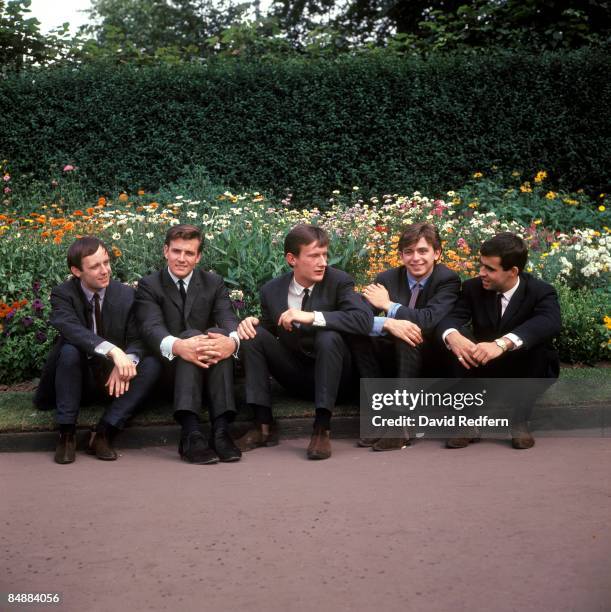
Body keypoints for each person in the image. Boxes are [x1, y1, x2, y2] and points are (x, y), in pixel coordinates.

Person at [236, 224, 373, 460]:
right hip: (297, 376)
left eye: (324, 254)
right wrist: (250, 323)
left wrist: (312, 317)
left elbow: (363, 320)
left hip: (338, 379)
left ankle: (322, 428)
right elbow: (269, 331)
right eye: (313, 256)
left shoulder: (339, 281)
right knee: (253, 334)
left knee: (329, 335)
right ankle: (262, 425)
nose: (322, 262)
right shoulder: (272, 290)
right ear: (292, 259)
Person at [34, 236, 161, 464]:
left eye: (106, 262)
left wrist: (127, 362)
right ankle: (66, 434)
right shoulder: (63, 294)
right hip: (76, 379)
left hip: (114, 382)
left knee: (151, 363)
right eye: (95, 266)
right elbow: (70, 328)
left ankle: (105, 432)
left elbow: (138, 339)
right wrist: (114, 351)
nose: (105, 271)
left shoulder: (127, 295)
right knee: (69, 348)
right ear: (76, 271)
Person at [439, 232, 561, 449]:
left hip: (523, 367)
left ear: (513, 272)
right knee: (456, 341)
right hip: (483, 365)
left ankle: (519, 421)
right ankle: (469, 421)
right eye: (481, 265)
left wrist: (502, 344)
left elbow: (549, 321)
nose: (481, 273)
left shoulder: (541, 291)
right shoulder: (472, 288)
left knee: (539, 347)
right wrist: (453, 335)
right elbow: (451, 317)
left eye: (490, 269)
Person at [135, 224, 242, 465]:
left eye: (189, 253)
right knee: (189, 335)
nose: (181, 259)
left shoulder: (213, 282)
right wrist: (179, 346)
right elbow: (150, 328)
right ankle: (191, 433)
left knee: (218, 335)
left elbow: (228, 318)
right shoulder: (149, 285)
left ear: (198, 257)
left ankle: (221, 432)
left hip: (209, 368)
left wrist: (232, 343)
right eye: (176, 251)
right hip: (170, 372)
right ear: (165, 251)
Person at [354, 222, 461, 450]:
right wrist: (388, 323)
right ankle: (379, 413)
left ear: (437, 253)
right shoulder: (387, 278)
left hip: (431, 359)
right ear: (401, 255)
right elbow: (358, 318)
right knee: (361, 336)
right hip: (393, 358)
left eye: (423, 251)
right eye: (408, 252)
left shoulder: (448, 280)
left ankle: (402, 423)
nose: (415, 258)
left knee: (408, 332)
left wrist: (388, 305)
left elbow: (428, 321)